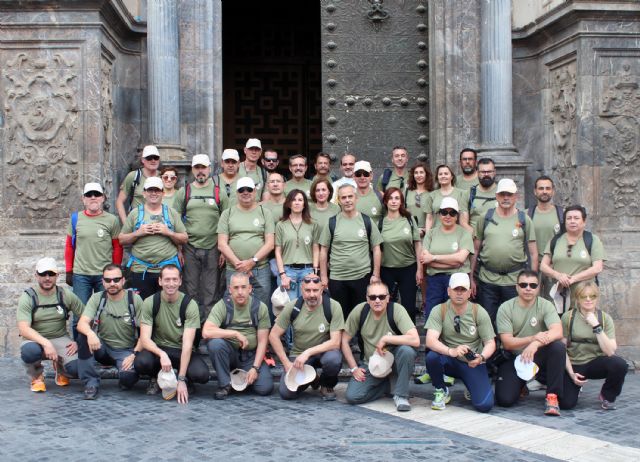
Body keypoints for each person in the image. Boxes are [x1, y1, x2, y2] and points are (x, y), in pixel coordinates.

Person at [134, 265, 209, 403]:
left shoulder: (189, 304)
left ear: (180, 281)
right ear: (160, 281)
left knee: (202, 375)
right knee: (141, 363)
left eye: (175, 279)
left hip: (181, 350)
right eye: (167, 279)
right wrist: (162, 354)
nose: (171, 283)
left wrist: (180, 379)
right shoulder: (150, 302)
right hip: (159, 349)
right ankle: (155, 377)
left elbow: (187, 344)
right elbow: (144, 339)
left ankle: (185, 377)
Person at [495, 270, 567, 416]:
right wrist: (532, 339)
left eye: (533, 285)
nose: (528, 288)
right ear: (517, 287)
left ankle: (552, 397)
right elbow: (507, 342)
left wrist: (535, 345)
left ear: (538, 288)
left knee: (558, 346)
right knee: (504, 400)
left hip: (537, 355)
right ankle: (521, 385)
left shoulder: (546, 305)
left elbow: (558, 332)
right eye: (523, 284)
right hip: (514, 356)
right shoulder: (506, 308)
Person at [343, 281, 419, 411]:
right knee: (352, 396)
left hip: (394, 362)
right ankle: (386, 385)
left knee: (407, 351)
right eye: (373, 297)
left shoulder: (396, 310)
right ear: (367, 299)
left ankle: (401, 396)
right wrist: (354, 368)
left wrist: (386, 338)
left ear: (388, 298)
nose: (377, 300)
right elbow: (344, 340)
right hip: (371, 364)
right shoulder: (360, 311)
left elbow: (415, 339)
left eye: (381, 297)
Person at [424, 273, 496, 412]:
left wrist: (481, 357)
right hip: (449, 359)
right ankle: (441, 390)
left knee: (484, 405)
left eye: (463, 290)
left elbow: (490, 342)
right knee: (432, 357)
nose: (459, 293)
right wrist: (451, 351)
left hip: (472, 362)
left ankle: (471, 385)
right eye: (456, 289)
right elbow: (430, 340)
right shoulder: (439, 310)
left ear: (469, 293)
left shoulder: (478, 311)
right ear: (448, 291)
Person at [471, 178, 538, 324]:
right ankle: (492, 347)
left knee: (514, 322)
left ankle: (509, 347)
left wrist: (532, 281)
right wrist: (471, 278)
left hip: (514, 280)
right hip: (488, 279)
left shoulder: (524, 219)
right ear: (496, 196)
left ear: (516, 196)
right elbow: (475, 250)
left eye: (509, 194)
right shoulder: (486, 217)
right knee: (488, 322)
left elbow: (533, 253)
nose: (506, 198)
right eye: (502, 194)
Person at [268, 275, 344, 400]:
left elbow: (335, 343)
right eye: (307, 290)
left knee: (333, 359)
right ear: (301, 290)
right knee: (287, 393)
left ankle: (326, 384)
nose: (311, 294)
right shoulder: (292, 307)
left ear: (322, 289)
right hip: (298, 354)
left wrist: (308, 352)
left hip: (324, 353)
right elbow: (273, 335)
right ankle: (313, 377)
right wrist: (286, 363)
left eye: (315, 290)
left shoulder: (333, 306)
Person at [65, 182, 123, 339]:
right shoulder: (76, 219)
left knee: (104, 314)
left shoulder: (112, 220)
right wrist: (69, 270)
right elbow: (69, 247)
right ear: (83, 199)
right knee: (80, 315)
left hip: (104, 276)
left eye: (96, 194)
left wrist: (116, 269)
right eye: (89, 195)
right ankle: (80, 350)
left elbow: (117, 247)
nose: (93, 198)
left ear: (103, 198)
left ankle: (103, 350)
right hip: (81, 275)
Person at [76, 264, 143, 399]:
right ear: (103, 282)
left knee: (128, 379)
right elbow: (81, 323)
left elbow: (145, 333)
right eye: (108, 280)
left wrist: (134, 354)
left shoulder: (134, 299)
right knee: (83, 335)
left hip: (126, 351)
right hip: (102, 348)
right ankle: (90, 382)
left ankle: (123, 376)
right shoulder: (97, 298)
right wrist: (90, 334)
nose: (112, 283)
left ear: (123, 281)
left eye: (116, 280)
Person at [18, 258, 84, 393]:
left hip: (60, 338)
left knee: (77, 369)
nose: (47, 278)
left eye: (51, 274)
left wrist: (79, 341)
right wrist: (46, 343)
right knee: (30, 352)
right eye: (43, 274)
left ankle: (61, 369)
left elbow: (87, 318)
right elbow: (24, 329)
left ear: (57, 276)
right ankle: (36, 376)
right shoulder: (28, 297)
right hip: (35, 340)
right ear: (36, 275)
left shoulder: (65, 295)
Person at [203, 272, 273, 399]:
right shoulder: (223, 305)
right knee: (215, 344)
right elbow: (206, 332)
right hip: (229, 355)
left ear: (250, 288)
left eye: (243, 287)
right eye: (236, 288)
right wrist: (235, 333)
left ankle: (241, 378)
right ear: (230, 289)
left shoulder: (260, 307)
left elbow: (263, 342)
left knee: (265, 388)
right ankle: (225, 385)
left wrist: (255, 368)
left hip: (251, 356)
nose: (240, 291)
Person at [319, 184, 383, 321]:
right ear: (339, 200)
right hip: (337, 279)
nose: (347, 200)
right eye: (343, 197)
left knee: (362, 317)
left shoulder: (366, 221)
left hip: (362, 277)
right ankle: (342, 343)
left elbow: (376, 248)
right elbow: (323, 250)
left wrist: (376, 274)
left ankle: (360, 342)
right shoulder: (332, 222)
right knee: (340, 317)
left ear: (356, 198)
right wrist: (324, 277)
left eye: (350, 196)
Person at [118, 177, 188, 300]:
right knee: (142, 308)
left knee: (167, 305)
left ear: (163, 193)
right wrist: (138, 233)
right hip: (141, 270)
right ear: (144, 193)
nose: (153, 193)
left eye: (157, 190)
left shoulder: (171, 213)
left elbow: (184, 239)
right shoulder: (135, 213)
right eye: (150, 190)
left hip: (167, 271)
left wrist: (169, 232)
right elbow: (122, 239)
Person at [561, 281, 627, 410]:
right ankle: (574, 387)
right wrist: (571, 373)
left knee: (619, 364)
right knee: (566, 404)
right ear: (577, 299)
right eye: (583, 296)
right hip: (574, 364)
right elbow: (561, 349)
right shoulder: (568, 317)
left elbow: (610, 352)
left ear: (597, 298)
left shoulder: (605, 318)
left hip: (595, 363)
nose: (588, 299)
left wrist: (596, 326)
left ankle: (607, 395)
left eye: (592, 296)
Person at [172, 154, 222, 321]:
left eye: (203, 168)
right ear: (192, 169)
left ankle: (209, 332)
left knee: (211, 292)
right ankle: (192, 330)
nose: (200, 171)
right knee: (190, 290)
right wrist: (178, 248)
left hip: (213, 247)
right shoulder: (184, 191)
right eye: (197, 168)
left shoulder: (218, 191)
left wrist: (223, 250)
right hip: (189, 248)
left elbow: (226, 221)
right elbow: (175, 220)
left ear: (209, 169)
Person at [217, 177, 275, 305]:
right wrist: (240, 265)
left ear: (255, 192)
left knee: (262, 306)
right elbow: (222, 244)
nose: (245, 192)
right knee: (234, 305)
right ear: (236, 193)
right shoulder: (227, 213)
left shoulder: (265, 213)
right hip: (234, 269)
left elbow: (270, 243)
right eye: (241, 190)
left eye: (249, 189)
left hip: (260, 268)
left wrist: (252, 261)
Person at [540, 205, 605, 312]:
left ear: (584, 222)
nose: (572, 221)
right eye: (569, 218)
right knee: (560, 324)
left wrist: (573, 279)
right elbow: (543, 266)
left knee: (582, 324)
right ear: (564, 222)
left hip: (584, 295)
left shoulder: (592, 240)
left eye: (576, 218)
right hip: (560, 293)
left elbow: (597, 268)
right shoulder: (555, 240)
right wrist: (558, 275)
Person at [421, 197, 474, 317]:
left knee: (456, 316)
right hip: (435, 281)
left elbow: (461, 258)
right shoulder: (431, 233)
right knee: (433, 315)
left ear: (457, 216)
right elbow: (425, 259)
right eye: (444, 212)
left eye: (452, 213)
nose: (448, 216)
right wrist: (453, 262)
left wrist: (433, 258)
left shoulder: (464, 233)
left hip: (458, 280)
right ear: (439, 214)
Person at [378, 187, 422, 322]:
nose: (393, 201)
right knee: (387, 305)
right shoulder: (380, 223)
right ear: (385, 201)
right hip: (387, 269)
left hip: (408, 268)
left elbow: (417, 244)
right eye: (390, 198)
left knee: (409, 306)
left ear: (401, 201)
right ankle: (389, 333)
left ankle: (410, 335)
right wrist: (377, 272)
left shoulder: (408, 219)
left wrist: (420, 269)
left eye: (397, 198)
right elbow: (377, 249)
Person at [275, 189, 319, 301]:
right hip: (288, 271)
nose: (297, 202)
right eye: (294, 200)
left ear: (304, 204)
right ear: (289, 204)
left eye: (300, 200)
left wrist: (315, 271)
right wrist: (282, 274)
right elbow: (277, 251)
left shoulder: (313, 224)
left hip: (307, 271)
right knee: (289, 308)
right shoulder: (281, 225)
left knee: (307, 306)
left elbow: (315, 249)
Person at [527, 176, 564, 300]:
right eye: (541, 188)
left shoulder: (562, 215)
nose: (544, 191)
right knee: (531, 302)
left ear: (553, 191)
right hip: (532, 266)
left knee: (553, 304)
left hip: (553, 268)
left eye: (548, 188)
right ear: (535, 191)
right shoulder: (526, 215)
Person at [115, 145, 161, 223]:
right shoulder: (133, 176)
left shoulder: (164, 177)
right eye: (149, 158)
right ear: (143, 160)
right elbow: (119, 201)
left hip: (158, 222)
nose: (153, 160)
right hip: (137, 223)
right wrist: (126, 223)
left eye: (156, 158)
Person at [424, 164, 471, 232]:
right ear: (437, 177)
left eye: (446, 174)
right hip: (436, 235)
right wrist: (428, 236)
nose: (443, 176)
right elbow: (429, 218)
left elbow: (463, 218)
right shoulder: (431, 195)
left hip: (455, 234)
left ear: (451, 176)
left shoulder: (461, 194)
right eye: (440, 174)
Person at [405, 161, 434, 237]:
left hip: (426, 234)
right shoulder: (407, 192)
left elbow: (433, 217)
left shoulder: (432, 193)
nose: (418, 175)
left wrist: (425, 231)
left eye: (421, 172)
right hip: (409, 234)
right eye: (416, 173)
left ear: (426, 174)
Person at [468, 158, 498, 229]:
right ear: (477, 172)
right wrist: (477, 238)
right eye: (483, 172)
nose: (486, 174)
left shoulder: (503, 193)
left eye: (489, 171)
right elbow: (463, 222)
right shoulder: (469, 193)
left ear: (494, 172)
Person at [353, 160, 384, 225]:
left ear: (371, 175)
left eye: (365, 174)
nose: (362, 177)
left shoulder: (381, 196)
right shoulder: (348, 197)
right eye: (358, 174)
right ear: (354, 176)